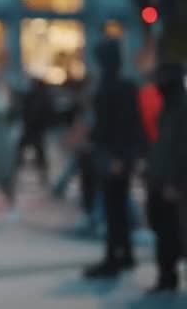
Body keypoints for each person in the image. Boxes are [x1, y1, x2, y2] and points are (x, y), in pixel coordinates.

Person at [84, 38, 145, 278]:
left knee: (113, 208)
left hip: (113, 155)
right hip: (115, 154)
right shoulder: (121, 85)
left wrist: (118, 156)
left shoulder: (114, 87)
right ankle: (124, 254)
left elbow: (121, 125)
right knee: (117, 206)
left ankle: (114, 257)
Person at [145, 63, 187, 293]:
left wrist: (174, 180)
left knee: (174, 231)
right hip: (161, 178)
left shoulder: (180, 109)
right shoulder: (169, 108)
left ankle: (168, 275)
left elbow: (181, 149)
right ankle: (166, 275)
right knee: (163, 230)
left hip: (174, 183)